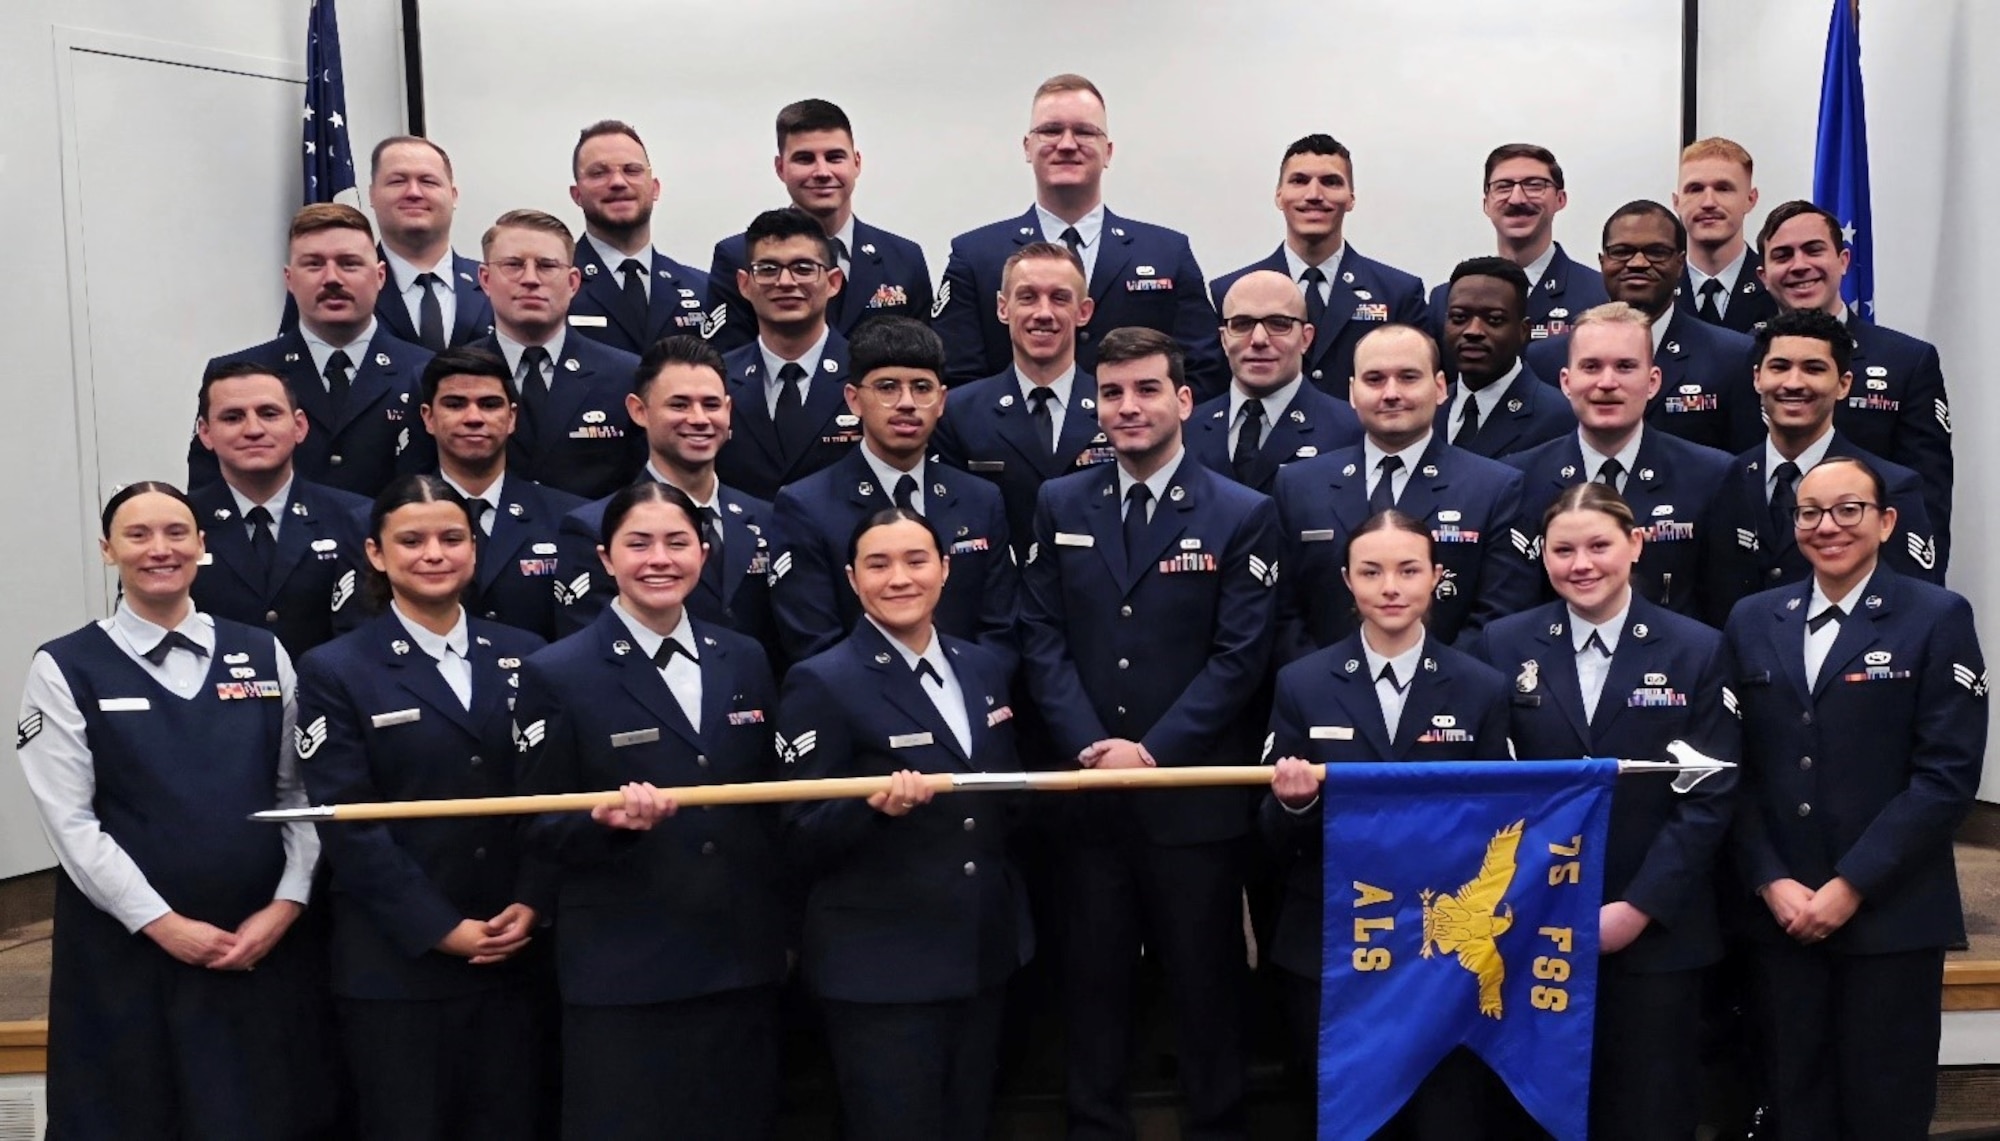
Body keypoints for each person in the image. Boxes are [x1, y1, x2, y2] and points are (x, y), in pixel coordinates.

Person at [1019, 326, 1278, 1139]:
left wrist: (1152, 752)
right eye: (1111, 393)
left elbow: (1241, 660)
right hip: (1090, 794)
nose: (1127, 408)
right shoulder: (1061, 501)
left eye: (1145, 390)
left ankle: (1217, 1124)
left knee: (1205, 983)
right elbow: (1041, 635)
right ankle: (1094, 1124)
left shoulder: (1243, 512)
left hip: (1191, 804)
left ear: (1184, 399)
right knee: (1091, 983)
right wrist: (1095, 746)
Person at [16, 481, 332, 1138]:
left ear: (202, 546)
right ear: (108, 550)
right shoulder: (66, 666)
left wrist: (288, 903)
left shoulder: (264, 651)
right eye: (138, 535)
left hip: (256, 947)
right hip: (128, 957)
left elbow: (297, 795)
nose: (160, 549)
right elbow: (73, 825)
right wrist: (163, 924)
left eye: (176, 533)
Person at [516, 480, 790, 1140]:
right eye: (638, 543)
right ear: (606, 558)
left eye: (677, 542)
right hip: (625, 965)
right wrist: (601, 825)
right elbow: (535, 822)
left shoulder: (746, 657)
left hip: (737, 958)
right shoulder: (557, 670)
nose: (659, 558)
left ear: (703, 551)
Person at [1723, 455, 1987, 1140]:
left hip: (1890, 916)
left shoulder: (1936, 616)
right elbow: (1733, 770)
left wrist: (1850, 884)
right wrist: (1770, 877)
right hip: (1780, 920)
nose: (1827, 525)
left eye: (1849, 509)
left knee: (1884, 1110)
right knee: (1791, 1103)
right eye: (1810, 512)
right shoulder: (1753, 620)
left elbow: (1946, 776)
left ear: (1886, 520)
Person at [1471, 483, 1739, 1141]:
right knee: (1534, 1114)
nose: (1581, 563)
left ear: (1636, 544)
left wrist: (1637, 907)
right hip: (1531, 929)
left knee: (1647, 1111)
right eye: (1563, 549)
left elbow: (1709, 796)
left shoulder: (1697, 648)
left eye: (1599, 545)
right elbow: (1487, 790)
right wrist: (1530, 901)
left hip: (1655, 934)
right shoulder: (1501, 647)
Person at [293, 474, 552, 1141]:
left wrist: (531, 898)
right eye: (411, 540)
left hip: (516, 947)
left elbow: (549, 792)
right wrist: (441, 927)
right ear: (376, 553)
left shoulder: (530, 653)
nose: (433, 553)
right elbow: (349, 823)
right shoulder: (334, 668)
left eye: (451, 537)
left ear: (475, 548)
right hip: (396, 964)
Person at [778, 507, 1031, 1140]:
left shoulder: (983, 668)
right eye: (878, 564)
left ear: (945, 571)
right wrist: (871, 810)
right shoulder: (822, 680)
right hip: (882, 967)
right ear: (851, 577)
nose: (899, 579)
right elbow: (797, 830)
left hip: (980, 950)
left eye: (916, 561)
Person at [1264, 510, 1511, 1139]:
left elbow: (1501, 817)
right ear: (1347, 580)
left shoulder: (1481, 687)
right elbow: (1270, 835)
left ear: (1437, 578)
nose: (1391, 587)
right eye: (1371, 572)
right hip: (1333, 941)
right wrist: (1294, 804)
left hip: (1441, 950)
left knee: (1444, 1116)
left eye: (1408, 570)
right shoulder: (1303, 683)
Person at [932, 74, 1226, 396]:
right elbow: (957, 378)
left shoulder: (1168, 254)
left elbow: (1202, 371)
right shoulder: (975, 256)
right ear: (1027, 147)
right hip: (1008, 443)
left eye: (1085, 132)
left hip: (1137, 441)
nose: (1067, 144)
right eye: (1051, 131)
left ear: (1108, 151)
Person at [1273, 324, 1536, 657]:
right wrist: (1325, 688)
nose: (1391, 392)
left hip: (1449, 698)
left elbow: (1499, 616)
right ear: (1353, 392)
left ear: (1441, 387)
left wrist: (1433, 686)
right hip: (1322, 701)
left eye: (1409, 377)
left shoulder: (1495, 488)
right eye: (1374, 379)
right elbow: (1283, 614)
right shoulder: (1298, 486)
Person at [770, 317, 1016, 665]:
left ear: (942, 400)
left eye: (921, 387)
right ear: (854, 400)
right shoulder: (806, 506)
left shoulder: (981, 499)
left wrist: (965, 694)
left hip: (968, 701)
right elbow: (814, 642)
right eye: (887, 387)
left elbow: (1000, 632)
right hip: (859, 710)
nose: (906, 402)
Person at [1700, 309, 1938, 626]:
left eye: (1814, 368)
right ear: (1758, 378)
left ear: (1843, 384)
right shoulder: (1721, 479)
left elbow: (1917, 612)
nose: (1793, 383)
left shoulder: (1892, 487)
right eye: (1780, 367)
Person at [1751, 199, 1953, 570]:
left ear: (1843, 260)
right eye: (1783, 255)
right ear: (1764, 276)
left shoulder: (1907, 360)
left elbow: (1928, 498)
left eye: (1814, 250)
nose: (1800, 266)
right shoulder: (1741, 354)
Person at [1505, 302, 1735, 620]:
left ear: (1653, 381)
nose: (1607, 382)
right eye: (1591, 367)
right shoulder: (1519, 478)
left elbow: (1724, 606)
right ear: (1566, 382)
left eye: (1625, 366)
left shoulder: (1711, 475)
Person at [190, 203, 434, 498]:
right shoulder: (236, 375)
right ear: (289, 279)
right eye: (314, 264)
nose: (331, 278)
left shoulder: (424, 371)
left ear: (380, 276)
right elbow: (207, 494)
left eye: (349, 263)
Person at [554, 336, 781, 649]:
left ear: (728, 410)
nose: (699, 419)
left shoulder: (770, 519)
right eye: (679, 404)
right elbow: (588, 653)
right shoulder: (593, 527)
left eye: (711, 404)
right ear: (639, 411)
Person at [1523, 200, 1758, 453]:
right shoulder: (1546, 359)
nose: (1637, 263)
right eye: (1622, 251)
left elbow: (1744, 464)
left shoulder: (1733, 356)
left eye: (1656, 252)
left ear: (1680, 263)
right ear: (1602, 262)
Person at [1208, 134, 1428, 398]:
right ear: (1279, 196)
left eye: (1330, 182)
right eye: (1299, 181)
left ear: (1351, 198)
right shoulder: (1230, 292)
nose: (1313, 195)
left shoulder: (1398, 293)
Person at [705, 99, 933, 352]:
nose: (822, 171)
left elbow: (924, 364)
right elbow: (730, 365)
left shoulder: (903, 259)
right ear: (780, 168)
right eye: (805, 159)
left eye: (835, 157)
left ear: (856, 163)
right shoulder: (739, 255)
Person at [932, 242, 1114, 559]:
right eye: (1027, 297)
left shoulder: (1117, 407)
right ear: (1003, 308)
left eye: (1059, 298)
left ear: (1084, 312)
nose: (1043, 313)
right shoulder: (957, 414)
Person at [187, 360, 372, 656]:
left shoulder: (356, 518)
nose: (253, 429)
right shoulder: (180, 522)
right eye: (233, 417)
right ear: (205, 433)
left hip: (327, 696)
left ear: (299, 426)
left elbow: (369, 632)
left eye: (269, 414)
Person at [468, 209, 645, 500]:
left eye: (547, 266)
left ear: (573, 282)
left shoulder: (625, 376)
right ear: (485, 279)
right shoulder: (449, 378)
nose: (530, 279)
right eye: (513, 265)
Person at [417, 347, 587, 639]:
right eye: (455, 404)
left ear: (511, 418)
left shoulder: (569, 520)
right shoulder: (387, 522)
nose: (473, 417)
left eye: (489, 404)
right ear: (428, 418)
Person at [713, 208, 861, 501]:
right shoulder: (716, 381)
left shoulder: (867, 374)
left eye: (803, 268)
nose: (785, 282)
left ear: (833, 282)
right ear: (744, 284)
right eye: (767, 269)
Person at [1186, 269, 1362, 493]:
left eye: (1279, 323)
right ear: (1223, 339)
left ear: (1306, 338)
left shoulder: (1351, 431)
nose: (1259, 339)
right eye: (1242, 324)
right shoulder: (1185, 430)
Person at [1425, 143, 1609, 343]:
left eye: (1534, 185)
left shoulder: (1600, 296)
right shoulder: (1445, 300)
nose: (1517, 199)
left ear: (1560, 199)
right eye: (1503, 186)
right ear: (1486, 204)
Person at [564, 120, 712, 355]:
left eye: (632, 170)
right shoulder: (552, 286)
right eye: (598, 173)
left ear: (655, 188)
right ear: (576, 194)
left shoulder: (703, 290)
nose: (617, 182)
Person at [1436, 256, 1575, 460]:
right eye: (1459, 318)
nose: (1473, 331)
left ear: (1523, 331)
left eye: (1494, 320)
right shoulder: (1428, 409)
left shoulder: (1559, 416)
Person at [366, 136, 493, 350]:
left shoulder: (496, 284)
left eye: (428, 181)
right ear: (372, 195)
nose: (413, 193)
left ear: (453, 196)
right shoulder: (346, 286)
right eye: (397, 181)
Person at [1674, 137, 1777, 334]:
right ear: (1677, 202)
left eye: (1723, 188)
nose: (1708, 202)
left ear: (1751, 199)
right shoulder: (1658, 293)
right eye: (1695, 189)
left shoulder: (1777, 287)